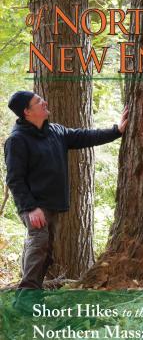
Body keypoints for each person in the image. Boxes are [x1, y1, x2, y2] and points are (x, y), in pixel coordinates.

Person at [4, 90, 128, 305]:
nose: (45, 102)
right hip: (34, 207)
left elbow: (85, 136)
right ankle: (24, 298)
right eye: (38, 101)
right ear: (27, 111)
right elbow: (15, 179)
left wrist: (116, 131)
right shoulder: (17, 141)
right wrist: (31, 208)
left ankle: (34, 295)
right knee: (39, 243)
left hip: (52, 205)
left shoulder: (56, 131)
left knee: (47, 250)